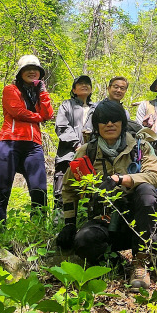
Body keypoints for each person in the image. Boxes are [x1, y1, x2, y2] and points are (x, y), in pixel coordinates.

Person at [56, 100, 157, 291]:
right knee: (83, 241)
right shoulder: (86, 151)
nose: (109, 124)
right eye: (104, 121)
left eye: (114, 120)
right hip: (102, 220)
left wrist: (120, 179)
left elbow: (154, 176)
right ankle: (116, 264)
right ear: (97, 125)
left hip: (137, 223)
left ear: (122, 123)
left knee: (146, 192)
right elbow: (69, 188)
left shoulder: (140, 147)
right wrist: (69, 224)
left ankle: (140, 263)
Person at [0, 55, 54, 235]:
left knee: (39, 191)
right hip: (9, 142)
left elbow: (48, 113)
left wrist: (42, 91)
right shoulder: (10, 89)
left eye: (36, 69)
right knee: (2, 191)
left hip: (33, 146)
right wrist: (38, 117)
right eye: (27, 69)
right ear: (20, 73)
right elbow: (18, 112)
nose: (32, 72)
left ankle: (37, 234)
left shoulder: (38, 93)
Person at [53, 75, 95, 212]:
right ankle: (59, 223)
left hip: (90, 158)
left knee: (89, 192)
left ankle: (83, 225)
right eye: (80, 83)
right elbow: (62, 126)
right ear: (74, 89)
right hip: (67, 155)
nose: (84, 85)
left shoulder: (97, 108)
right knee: (62, 191)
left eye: (87, 84)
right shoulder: (66, 105)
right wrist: (76, 144)